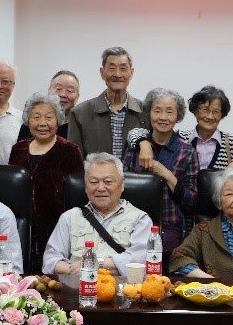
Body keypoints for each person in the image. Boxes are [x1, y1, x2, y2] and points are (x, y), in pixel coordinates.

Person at [43, 153, 154, 276]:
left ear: (122, 184)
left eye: (108, 181)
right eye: (94, 182)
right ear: (86, 186)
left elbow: (140, 260)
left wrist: (96, 264)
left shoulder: (140, 220)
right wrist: (73, 269)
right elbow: (49, 260)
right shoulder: (69, 217)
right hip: (77, 285)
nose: (100, 188)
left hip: (122, 287)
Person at [8, 92, 83, 273]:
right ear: (28, 120)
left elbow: (77, 196)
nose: (43, 123)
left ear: (58, 120)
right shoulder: (18, 149)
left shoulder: (69, 151)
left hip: (57, 229)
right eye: (36, 117)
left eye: (49, 117)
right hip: (20, 228)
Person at [123, 87, 198, 253]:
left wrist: (166, 173)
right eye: (157, 111)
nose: (163, 117)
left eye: (169, 112)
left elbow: (192, 201)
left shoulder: (187, 152)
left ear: (178, 116)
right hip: (133, 228)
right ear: (149, 114)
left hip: (171, 231)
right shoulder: (135, 148)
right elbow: (121, 189)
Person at [128, 85, 233, 171]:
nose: (210, 116)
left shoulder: (232, 144)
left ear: (222, 115)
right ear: (195, 111)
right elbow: (135, 133)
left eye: (216, 112)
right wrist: (143, 143)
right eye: (205, 110)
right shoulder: (181, 137)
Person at [67, 47, 144, 159]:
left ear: (131, 73)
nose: (117, 74)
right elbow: (74, 160)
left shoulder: (145, 112)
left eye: (123, 68)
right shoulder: (79, 113)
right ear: (102, 72)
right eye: (112, 68)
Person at [18, 70, 79, 141]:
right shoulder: (30, 126)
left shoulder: (80, 127)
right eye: (58, 89)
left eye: (69, 90)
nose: (63, 94)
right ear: (49, 91)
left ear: (77, 97)